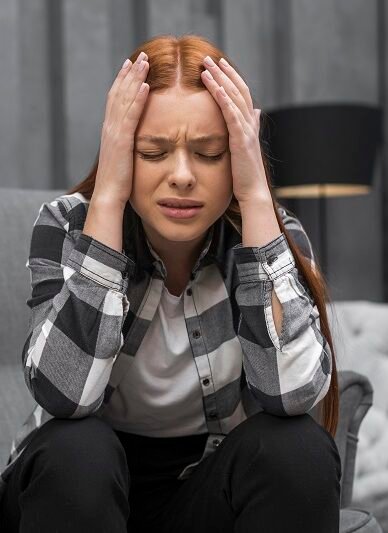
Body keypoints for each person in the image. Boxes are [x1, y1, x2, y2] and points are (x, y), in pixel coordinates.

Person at [0, 33, 341, 532]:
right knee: (78, 449)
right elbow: (65, 398)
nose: (182, 176)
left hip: (201, 494)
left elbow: (290, 395)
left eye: (209, 154)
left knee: (296, 449)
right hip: (73, 494)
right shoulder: (67, 226)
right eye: (153, 152)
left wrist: (255, 196)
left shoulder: (273, 236)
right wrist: (110, 199)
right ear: (121, 151)